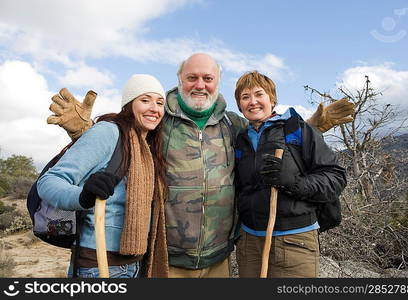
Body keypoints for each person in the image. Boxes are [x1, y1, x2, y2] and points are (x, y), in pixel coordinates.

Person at [46, 53, 354, 278]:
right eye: (192, 78)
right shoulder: (159, 120)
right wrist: (82, 132)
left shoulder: (232, 124)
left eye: (208, 79)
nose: (200, 85)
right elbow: (125, 139)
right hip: (166, 257)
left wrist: (310, 127)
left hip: (219, 257)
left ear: (217, 83)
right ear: (180, 81)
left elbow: (267, 137)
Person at [37, 74, 169, 278]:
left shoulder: (149, 147)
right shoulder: (108, 133)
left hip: (136, 264)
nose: (154, 108)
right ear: (129, 104)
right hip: (99, 266)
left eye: (160, 103)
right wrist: (83, 195)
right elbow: (49, 182)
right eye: (145, 100)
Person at [233, 71, 347, 277]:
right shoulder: (240, 140)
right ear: (239, 105)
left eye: (259, 94)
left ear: (272, 99)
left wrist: (293, 182)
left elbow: (335, 177)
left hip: (295, 241)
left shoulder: (297, 130)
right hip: (250, 242)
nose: (253, 102)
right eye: (245, 97)